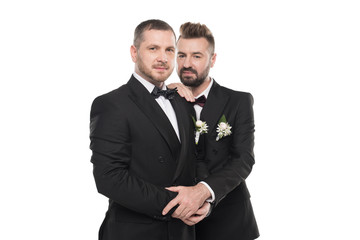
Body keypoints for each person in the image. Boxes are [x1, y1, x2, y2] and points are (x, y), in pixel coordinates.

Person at [89, 19, 209, 240]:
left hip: (183, 233)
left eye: (169, 50)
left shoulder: (183, 101)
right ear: (134, 53)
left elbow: (194, 161)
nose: (163, 58)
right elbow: (109, 178)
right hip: (134, 233)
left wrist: (203, 198)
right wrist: (179, 205)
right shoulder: (111, 104)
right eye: (153, 48)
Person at [164, 22, 260, 240]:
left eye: (197, 56)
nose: (187, 64)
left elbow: (243, 160)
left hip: (230, 220)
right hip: (177, 222)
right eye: (181, 55)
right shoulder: (166, 99)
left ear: (212, 60)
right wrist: (165, 91)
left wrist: (204, 192)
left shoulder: (239, 101)